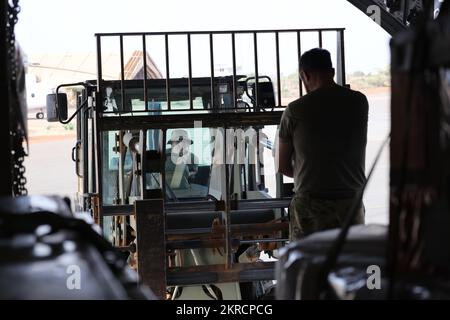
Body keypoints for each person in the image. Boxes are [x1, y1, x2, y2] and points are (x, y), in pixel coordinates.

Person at [277, 48, 368, 240]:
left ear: (305, 75)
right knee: (349, 264)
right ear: (332, 72)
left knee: (309, 264)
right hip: (351, 204)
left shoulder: (295, 110)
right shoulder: (359, 102)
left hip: (311, 207)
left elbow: (282, 164)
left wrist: (309, 172)